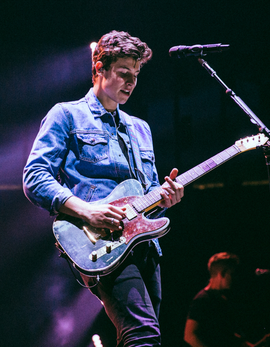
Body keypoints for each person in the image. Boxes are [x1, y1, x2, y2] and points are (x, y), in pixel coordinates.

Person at [23, 30, 184, 347]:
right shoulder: (66, 115)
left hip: (145, 245)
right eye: (124, 73)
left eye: (136, 75)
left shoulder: (140, 128)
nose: (131, 83)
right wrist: (88, 210)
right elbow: (34, 176)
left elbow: (148, 195)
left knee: (137, 336)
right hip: (100, 243)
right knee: (144, 335)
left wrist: (166, 198)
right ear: (99, 69)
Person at [183, 252, 252, 347]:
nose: (234, 278)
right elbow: (189, 335)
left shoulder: (221, 299)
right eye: (232, 274)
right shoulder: (202, 300)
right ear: (222, 273)